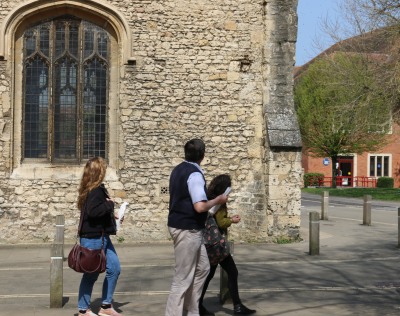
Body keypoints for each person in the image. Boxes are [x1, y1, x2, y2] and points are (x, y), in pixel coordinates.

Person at [166, 139, 229, 316]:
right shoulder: (194, 175)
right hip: (188, 229)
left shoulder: (178, 169)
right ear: (203, 155)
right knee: (182, 279)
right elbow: (200, 207)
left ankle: (192, 310)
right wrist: (219, 200)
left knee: (203, 268)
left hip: (185, 227)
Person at [199, 174, 256, 315]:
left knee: (209, 274)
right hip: (217, 244)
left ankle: (198, 305)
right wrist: (232, 220)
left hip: (209, 244)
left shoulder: (208, 197)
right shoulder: (219, 202)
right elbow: (221, 222)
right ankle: (237, 307)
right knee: (232, 271)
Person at [77, 157, 122, 316]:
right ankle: (83, 310)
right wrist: (110, 204)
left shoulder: (96, 189)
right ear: (99, 172)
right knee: (91, 274)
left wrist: (113, 215)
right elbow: (93, 211)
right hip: (92, 238)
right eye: (103, 168)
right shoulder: (94, 191)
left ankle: (106, 306)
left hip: (102, 237)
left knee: (114, 268)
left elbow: (96, 212)